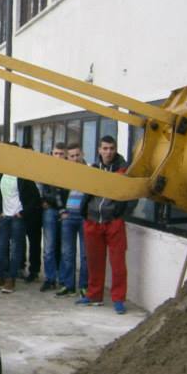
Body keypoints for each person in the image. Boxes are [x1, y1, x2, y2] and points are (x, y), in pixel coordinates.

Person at [77, 135, 130, 314]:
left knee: (118, 263)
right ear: (99, 149)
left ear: (115, 150)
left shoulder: (124, 169)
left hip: (113, 221)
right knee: (94, 261)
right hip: (92, 220)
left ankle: (119, 299)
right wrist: (84, 212)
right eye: (105, 148)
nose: (108, 152)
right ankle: (94, 296)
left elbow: (131, 196)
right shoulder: (92, 168)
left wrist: (120, 213)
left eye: (111, 148)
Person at [57, 143, 89, 298]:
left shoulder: (90, 171)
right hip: (68, 217)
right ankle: (69, 286)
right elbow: (58, 191)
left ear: (82, 154)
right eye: (72, 156)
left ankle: (84, 286)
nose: (75, 159)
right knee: (67, 253)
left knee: (85, 254)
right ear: (67, 157)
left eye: (77, 155)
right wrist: (62, 210)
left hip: (84, 217)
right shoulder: (64, 172)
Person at [0, 144, 27, 294]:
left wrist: (22, 212)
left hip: (17, 217)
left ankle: (10, 279)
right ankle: (0, 276)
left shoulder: (22, 174)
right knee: (0, 247)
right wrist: (0, 210)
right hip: (5, 216)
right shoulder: (2, 172)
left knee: (15, 249)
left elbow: (31, 195)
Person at [37, 142, 67, 292]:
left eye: (61, 154)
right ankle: (50, 278)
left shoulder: (70, 170)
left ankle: (62, 279)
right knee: (48, 248)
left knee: (63, 247)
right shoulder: (46, 169)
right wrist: (43, 200)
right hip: (50, 210)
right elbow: (40, 187)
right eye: (56, 153)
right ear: (52, 153)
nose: (59, 156)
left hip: (65, 211)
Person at [18, 149, 42, 283]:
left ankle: (34, 270)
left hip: (33, 214)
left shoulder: (37, 172)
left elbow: (35, 197)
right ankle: (22, 267)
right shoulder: (20, 174)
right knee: (21, 242)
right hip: (23, 213)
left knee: (34, 243)